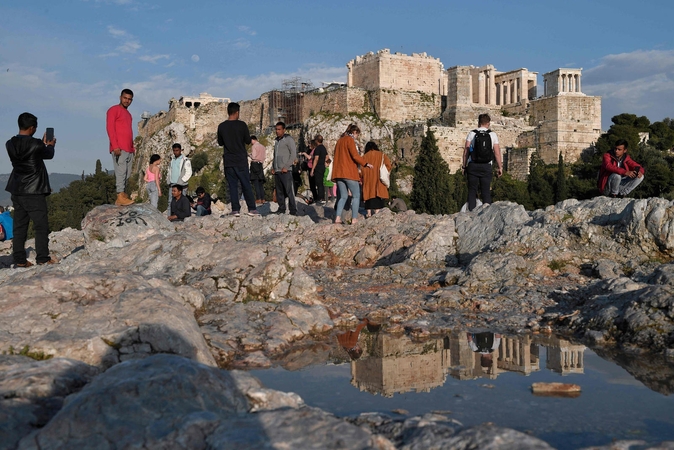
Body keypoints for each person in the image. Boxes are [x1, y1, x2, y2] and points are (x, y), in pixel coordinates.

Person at [5, 112, 56, 267]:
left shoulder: (9, 144)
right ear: (32, 128)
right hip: (34, 191)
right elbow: (48, 154)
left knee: (19, 226)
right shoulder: (37, 145)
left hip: (17, 189)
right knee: (41, 225)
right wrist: (50, 145)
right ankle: (42, 258)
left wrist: (40, 144)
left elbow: (28, 151)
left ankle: (19, 260)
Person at [216, 102, 260, 217]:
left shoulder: (221, 126)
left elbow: (220, 143)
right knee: (246, 184)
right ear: (237, 112)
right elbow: (247, 140)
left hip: (229, 161)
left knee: (232, 186)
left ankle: (235, 209)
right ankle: (252, 208)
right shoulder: (242, 125)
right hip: (240, 160)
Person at [332, 124, 373, 224]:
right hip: (348, 172)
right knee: (356, 195)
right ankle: (354, 219)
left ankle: (337, 218)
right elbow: (355, 155)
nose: (357, 137)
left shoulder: (339, 141)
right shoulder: (349, 140)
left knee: (343, 196)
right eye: (357, 134)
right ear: (354, 132)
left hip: (339, 173)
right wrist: (365, 163)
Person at [462, 113, 503, 211]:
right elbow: (497, 153)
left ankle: (471, 214)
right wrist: (500, 167)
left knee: (472, 191)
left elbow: (466, 151)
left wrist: (464, 166)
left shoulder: (472, 134)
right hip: (486, 166)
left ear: (478, 123)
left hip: (473, 166)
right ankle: (486, 215)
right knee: (486, 192)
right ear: (488, 123)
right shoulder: (492, 135)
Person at [106, 88, 135, 206]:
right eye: (125, 98)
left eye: (129, 99)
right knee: (121, 172)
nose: (127, 101)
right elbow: (110, 128)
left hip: (129, 148)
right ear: (120, 97)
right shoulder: (113, 110)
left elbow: (129, 131)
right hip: (119, 147)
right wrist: (115, 145)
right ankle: (119, 194)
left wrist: (133, 148)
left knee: (127, 174)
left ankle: (122, 195)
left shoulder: (129, 115)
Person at [271, 121, 298, 216]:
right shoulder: (277, 141)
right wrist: (273, 167)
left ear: (284, 130)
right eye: (276, 129)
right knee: (279, 191)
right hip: (277, 170)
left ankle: (293, 210)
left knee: (289, 191)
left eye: (279, 129)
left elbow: (293, 154)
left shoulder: (288, 139)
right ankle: (281, 208)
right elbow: (275, 155)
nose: (277, 131)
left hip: (286, 171)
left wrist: (286, 166)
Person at [362, 141, 392, 217]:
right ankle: (377, 212)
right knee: (377, 195)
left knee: (368, 195)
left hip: (368, 180)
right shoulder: (381, 155)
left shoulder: (364, 157)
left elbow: (361, 170)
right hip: (378, 179)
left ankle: (368, 213)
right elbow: (388, 165)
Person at [166, 143, 192, 215]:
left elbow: (189, 172)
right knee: (170, 202)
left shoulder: (185, 160)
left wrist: (182, 181)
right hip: (172, 184)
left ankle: (181, 217)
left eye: (177, 150)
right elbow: (169, 171)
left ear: (180, 150)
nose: (175, 152)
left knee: (182, 202)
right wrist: (168, 180)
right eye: (174, 150)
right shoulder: (172, 160)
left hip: (181, 185)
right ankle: (169, 217)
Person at [309, 135, 328, 205]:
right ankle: (321, 197)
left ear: (317, 141)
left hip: (318, 167)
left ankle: (320, 198)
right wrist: (327, 164)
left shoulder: (317, 149)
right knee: (321, 182)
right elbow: (327, 157)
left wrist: (312, 169)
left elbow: (316, 159)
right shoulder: (323, 148)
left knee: (318, 182)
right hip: (322, 166)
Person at [249, 135, 266, 205]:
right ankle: (263, 198)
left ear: (253, 140)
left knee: (255, 182)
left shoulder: (254, 146)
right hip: (260, 165)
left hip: (255, 164)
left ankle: (258, 198)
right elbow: (264, 157)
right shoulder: (263, 147)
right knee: (260, 183)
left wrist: (249, 155)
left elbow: (253, 156)